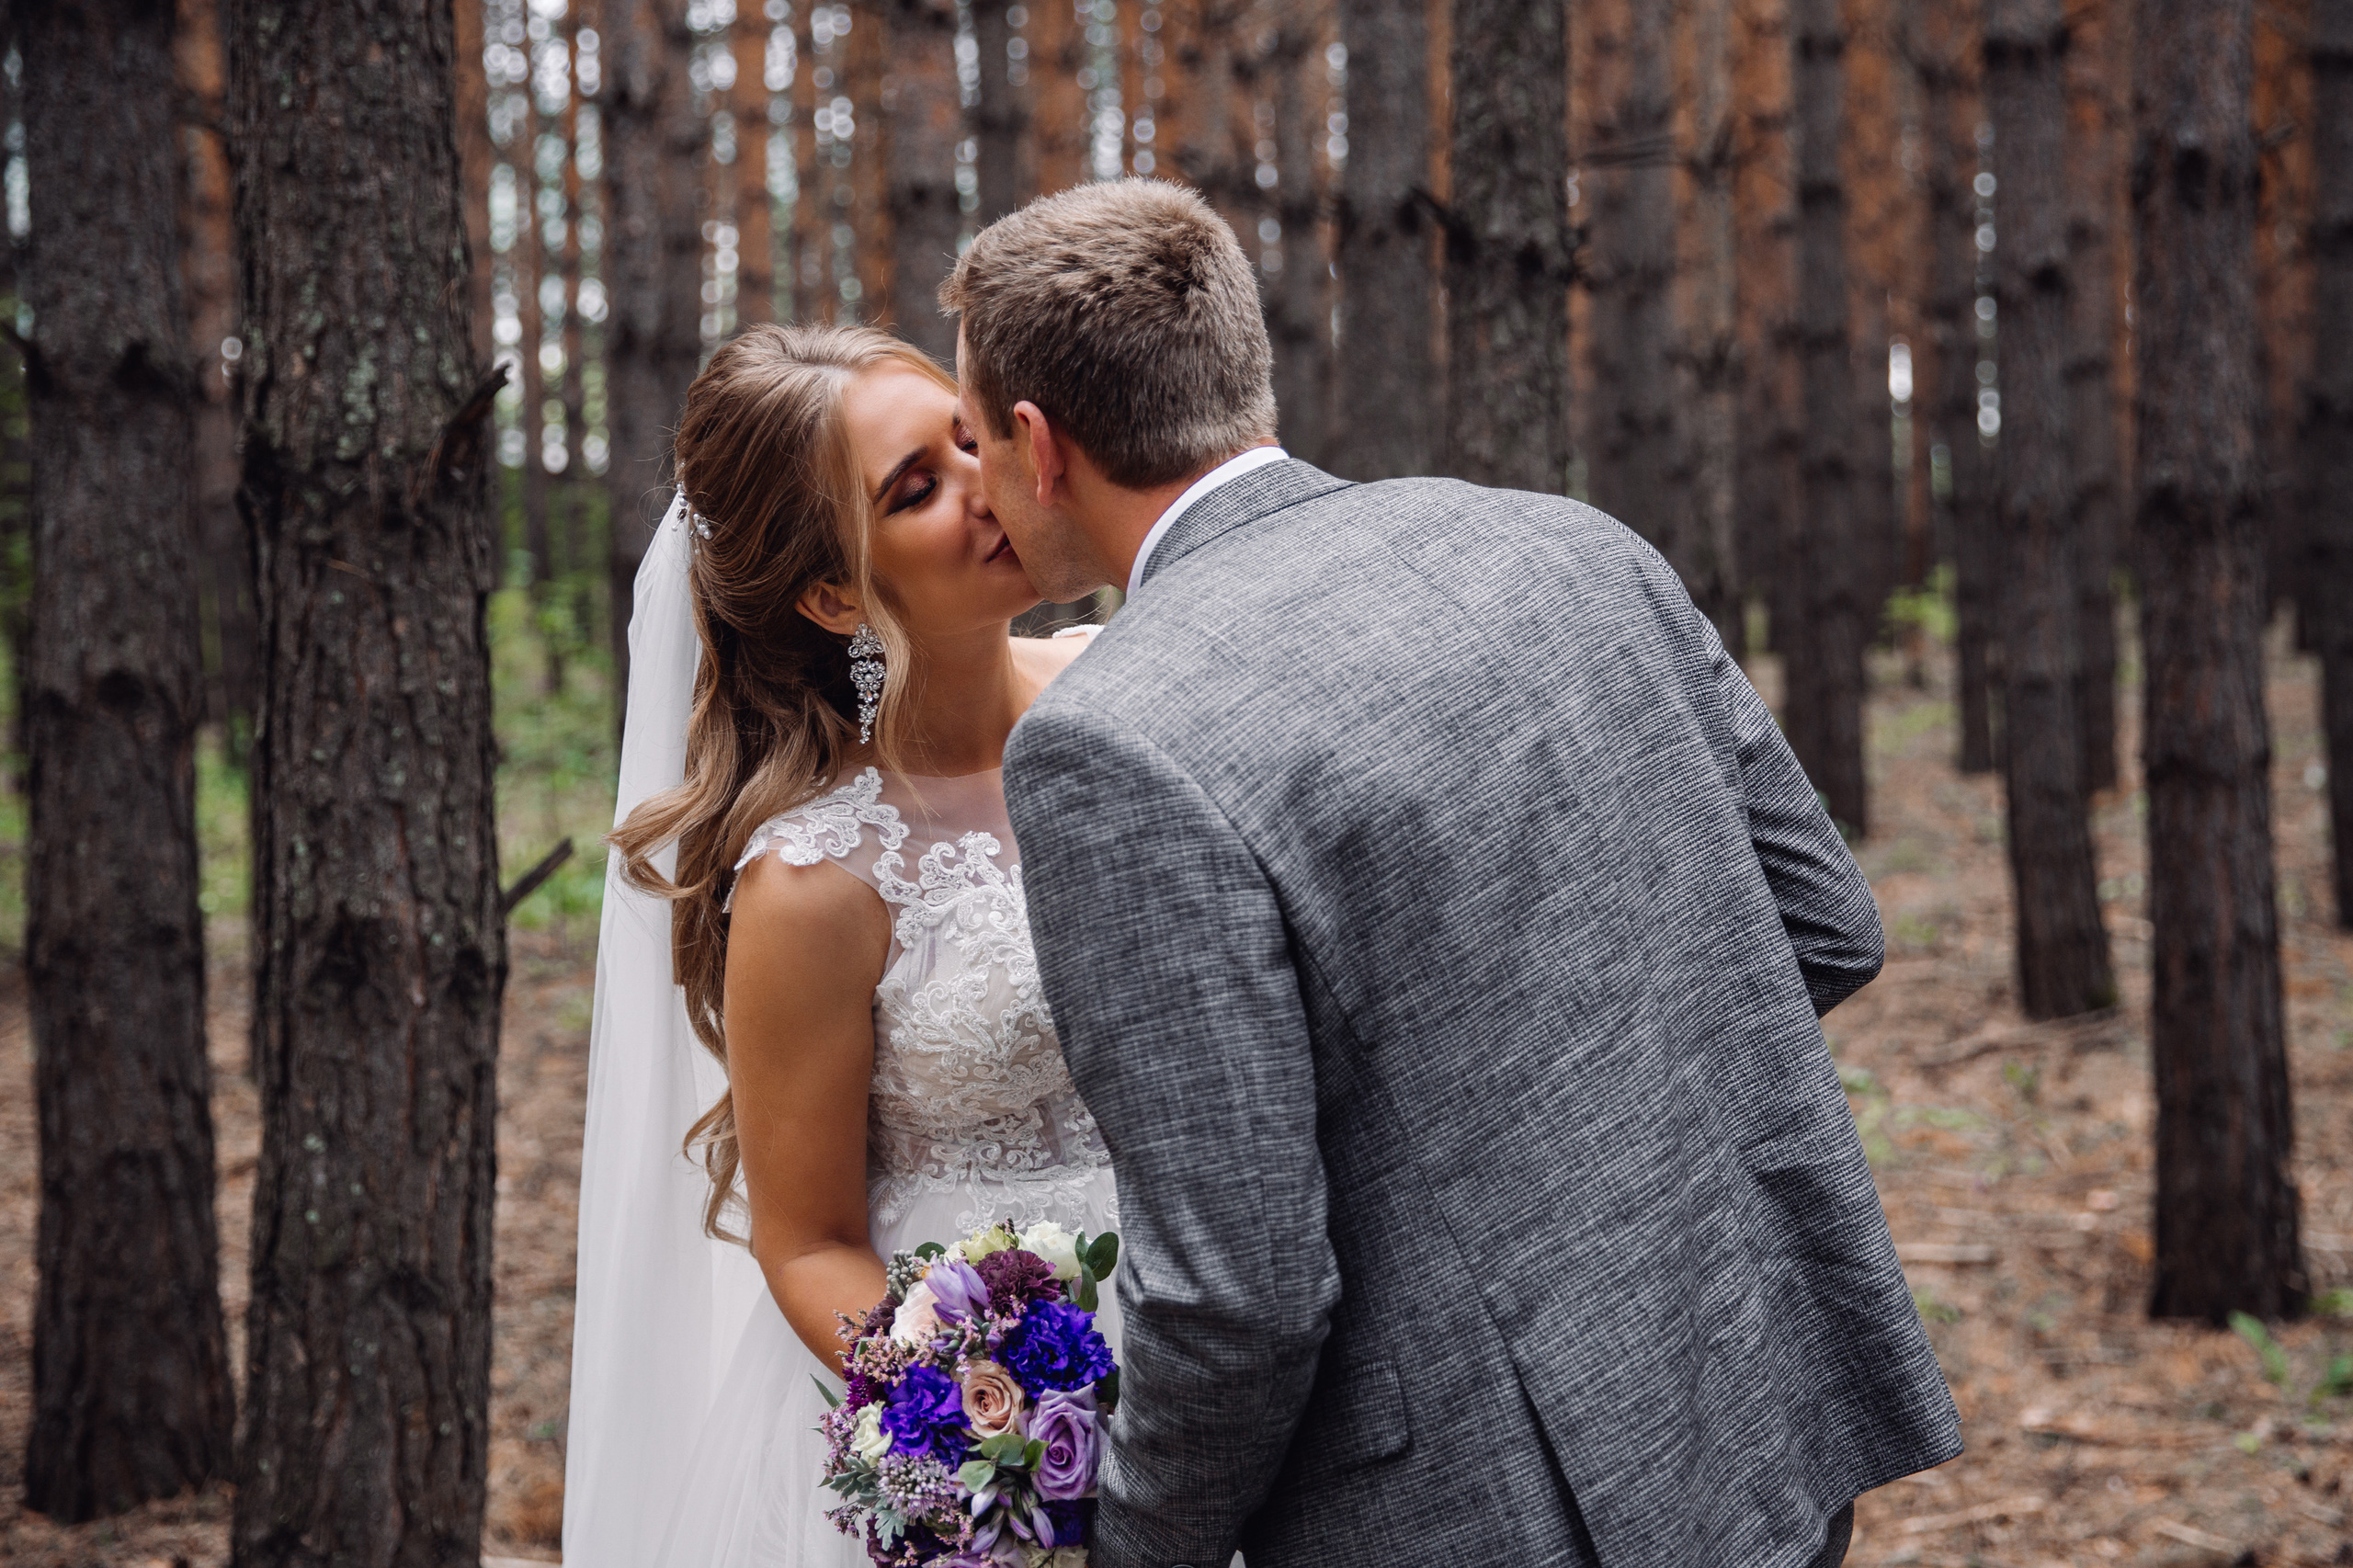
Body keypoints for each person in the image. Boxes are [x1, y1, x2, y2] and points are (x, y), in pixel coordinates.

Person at [943, 177, 1964, 1568]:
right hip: (1748, 1381)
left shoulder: (1110, 743)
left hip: (1485, 1503)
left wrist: (1134, 1547)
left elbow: (1241, 1291)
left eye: (980, 452)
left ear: (1036, 442)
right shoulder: (1573, 546)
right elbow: (1825, 925)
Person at [561, 323, 1119, 1568]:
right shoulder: (818, 881)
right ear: (833, 595)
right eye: (916, 487)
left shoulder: (1129, 688)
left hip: (1224, 1348)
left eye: (971, 440)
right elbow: (804, 1240)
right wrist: (989, 1424)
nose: (984, 488)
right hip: (987, 1423)